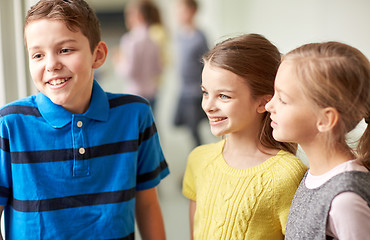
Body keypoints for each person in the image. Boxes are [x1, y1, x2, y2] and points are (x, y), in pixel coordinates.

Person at [0, 0, 169, 239]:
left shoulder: (135, 115)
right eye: (38, 55)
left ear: (97, 55)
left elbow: (148, 204)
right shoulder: (9, 124)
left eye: (65, 50)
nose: (51, 65)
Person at [182, 34, 308, 239]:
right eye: (205, 92)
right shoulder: (198, 159)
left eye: (224, 96)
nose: (208, 106)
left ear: (263, 102)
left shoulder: (287, 175)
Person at [265, 41, 370, 239]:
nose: (269, 105)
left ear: (325, 119)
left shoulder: (346, 200)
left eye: (283, 99)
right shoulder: (316, 175)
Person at [115, 0, 162, 112]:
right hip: (152, 92)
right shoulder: (153, 40)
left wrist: (118, 61)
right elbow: (158, 69)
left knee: (134, 129)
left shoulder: (130, 40)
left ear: (138, 15)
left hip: (135, 94)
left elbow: (129, 72)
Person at [173, 0, 209, 147]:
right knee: (177, 122)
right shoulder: (180, 35)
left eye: (182, 10)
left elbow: (207, 63)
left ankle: (200, 158)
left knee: (194, 128)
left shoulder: (199, 37)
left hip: (194, 90)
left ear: (192, 11)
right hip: (184, 88)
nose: (179, 14)